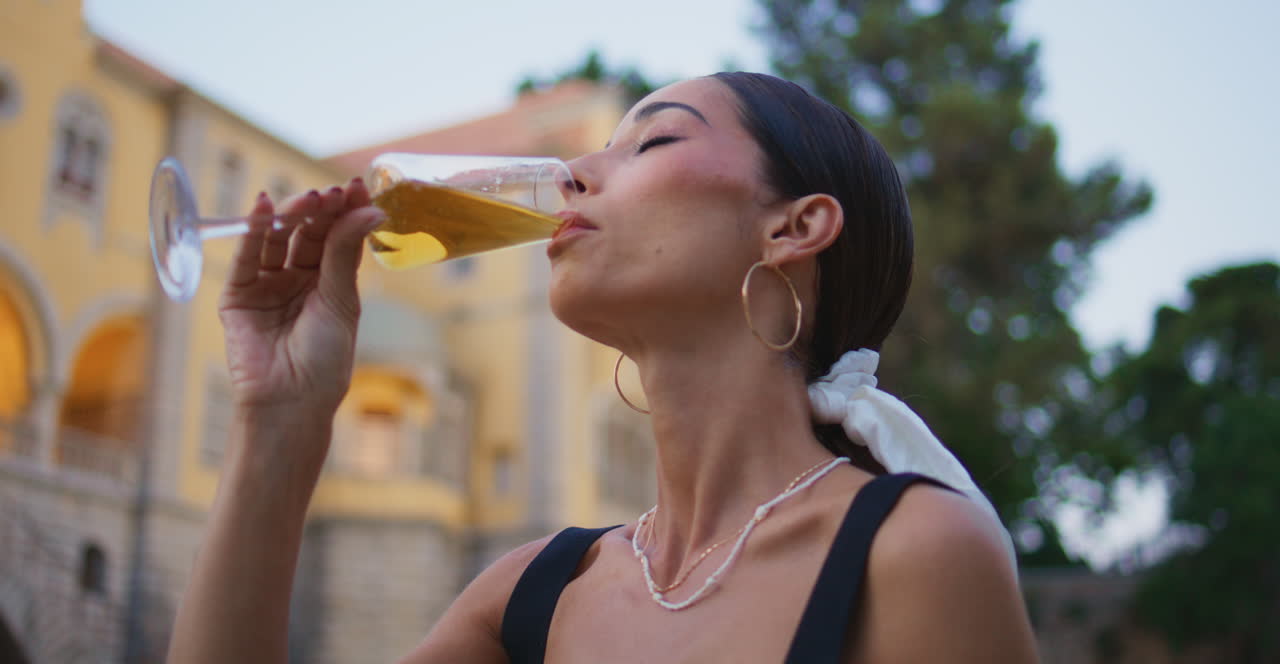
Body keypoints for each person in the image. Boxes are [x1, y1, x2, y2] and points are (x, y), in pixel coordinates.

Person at [167, 72, 1040, 663]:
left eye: (652, 144)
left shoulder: (917, 555)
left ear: (794, 227)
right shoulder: (531, 594)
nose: (575, 174)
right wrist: (281, 416)